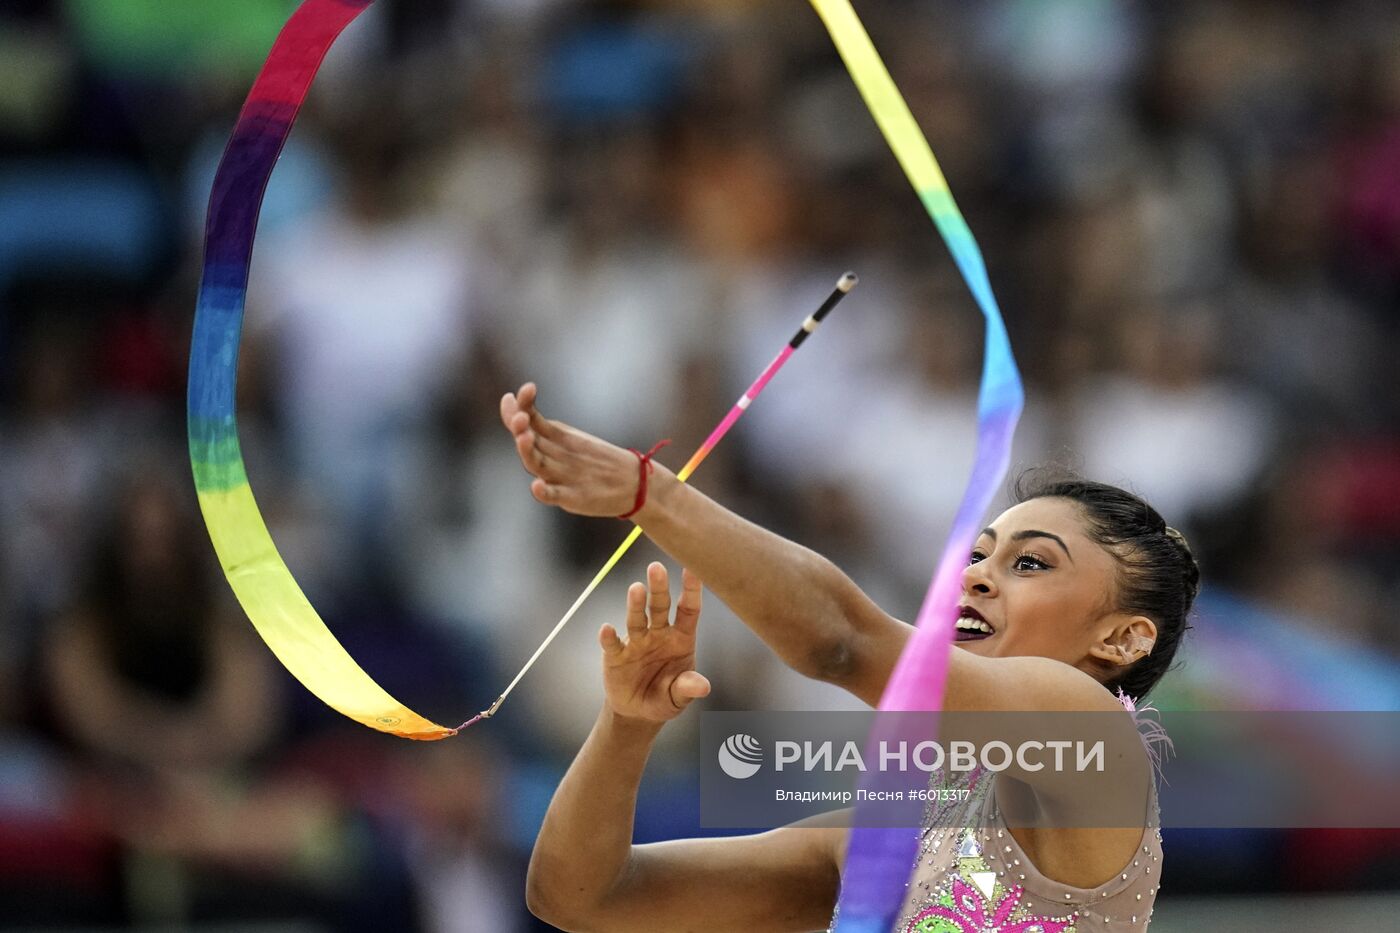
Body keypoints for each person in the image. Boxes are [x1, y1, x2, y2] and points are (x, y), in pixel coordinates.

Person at [501, 383, 1198, 932]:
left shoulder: (1093, 737)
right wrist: (626, 725)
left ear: (1121, 638)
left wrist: (655, 497)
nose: (975, 576)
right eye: (978, 554)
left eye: (1032, 562)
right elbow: (583, 896)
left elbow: (840, 640)